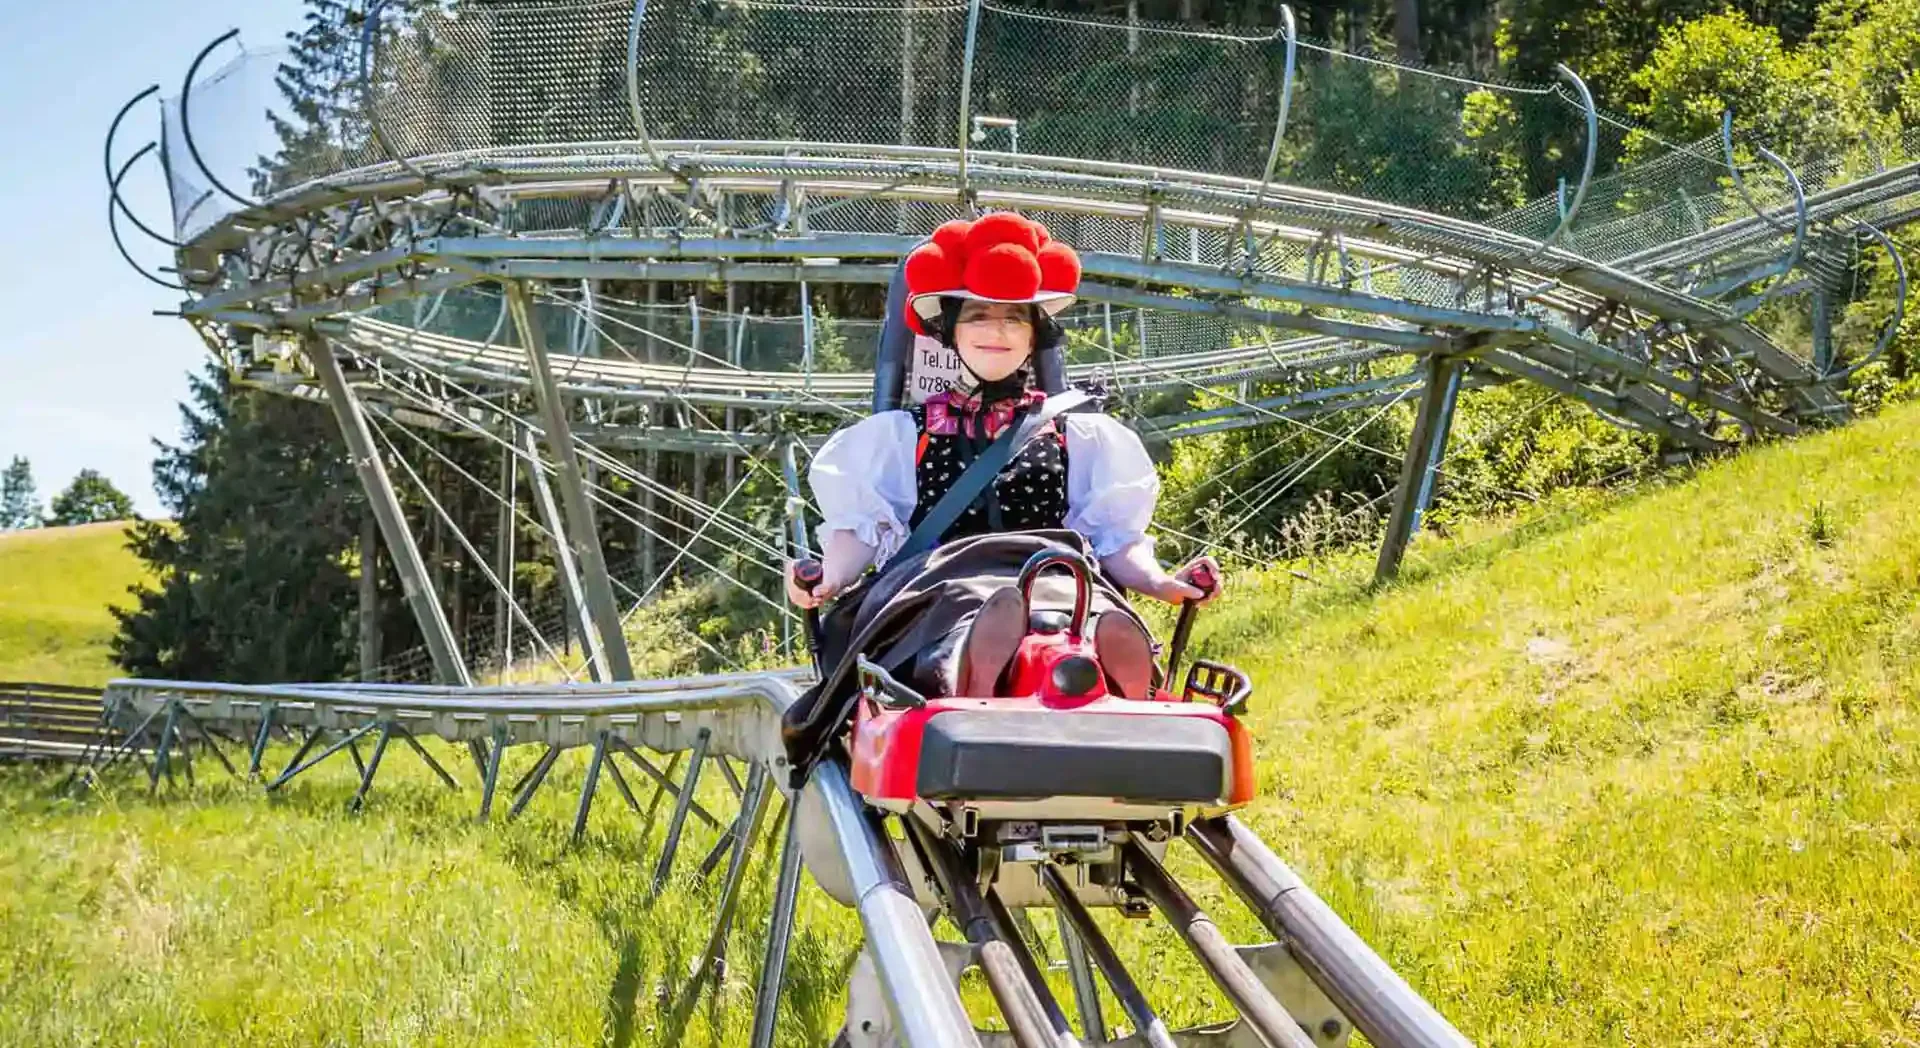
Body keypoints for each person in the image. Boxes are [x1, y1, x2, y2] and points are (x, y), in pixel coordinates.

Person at [783, 211, 1220, 710]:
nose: (997, 330)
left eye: (1014, 317)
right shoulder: (903, 436)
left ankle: (1096, 664)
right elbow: (860, 531)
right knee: (970, 606)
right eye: (978, 315)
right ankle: (969, 666)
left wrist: (1162, 582)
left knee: (1078, 606)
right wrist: (830, 578)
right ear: (950, 332)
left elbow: (1116, 541)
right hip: (941, 577)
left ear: (1035, 334)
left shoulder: (1078, 436)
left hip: (1055, 576)